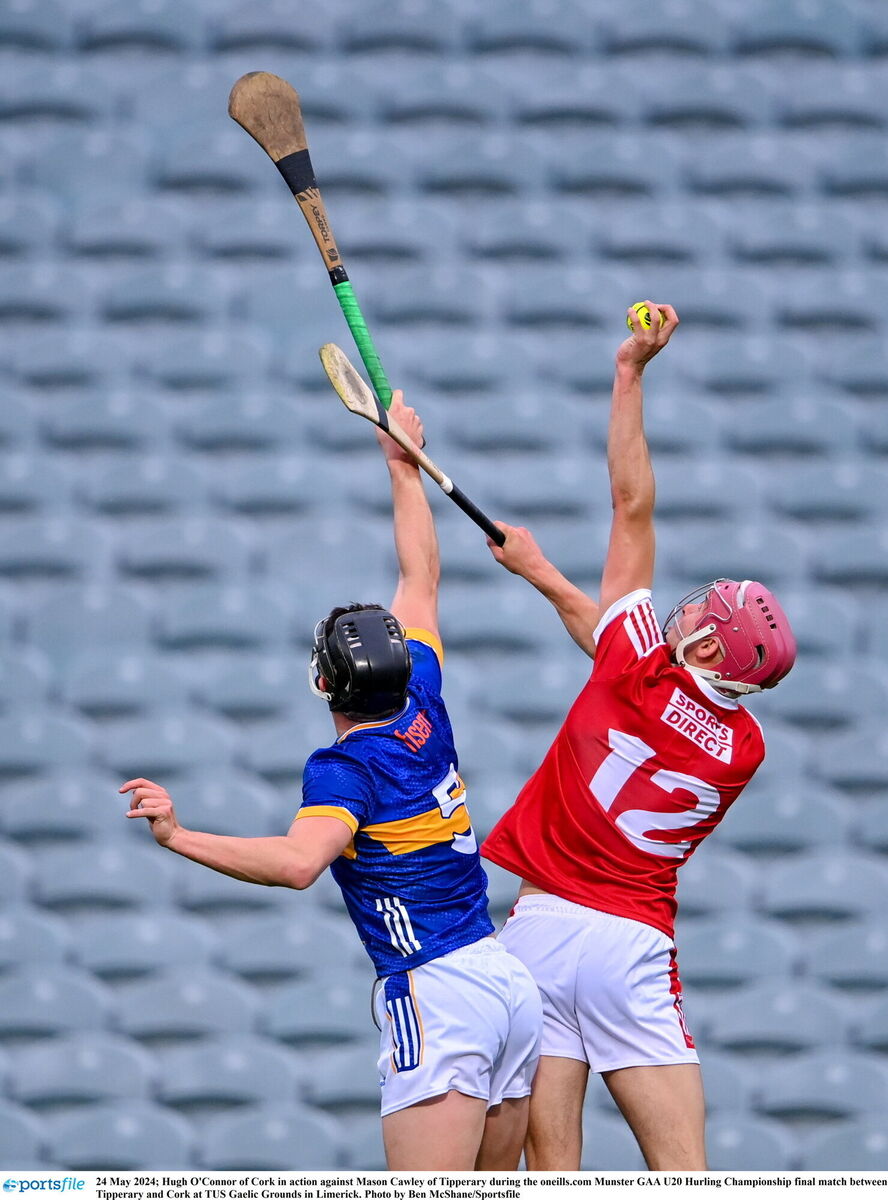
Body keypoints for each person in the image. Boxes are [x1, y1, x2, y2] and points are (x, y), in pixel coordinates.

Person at [121, 393, 541, 1171]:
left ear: (322, 686)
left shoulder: (343, 768)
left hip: (436, 993)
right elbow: (421, 575)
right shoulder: (423, 694)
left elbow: (296, 864)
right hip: (507, 983)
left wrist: (178, 837)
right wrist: (402, 468)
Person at [481, 302, 797, 1171]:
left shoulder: (633, 658)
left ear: (699, 645)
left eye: (703, 612)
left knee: (550, 1175)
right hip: (633, 946)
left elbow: (630, 503)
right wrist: (541, 573)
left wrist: (629, 373)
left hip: (541, 932)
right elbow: (617, 655)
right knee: (683, 1173)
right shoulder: (742, 748)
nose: (688, 606)